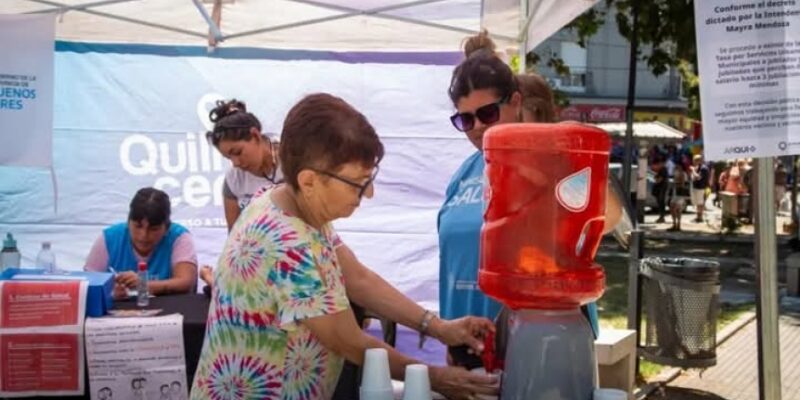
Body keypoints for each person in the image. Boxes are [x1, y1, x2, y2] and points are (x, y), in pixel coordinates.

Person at [191, 93, 498, 400]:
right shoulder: (286, 244)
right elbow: (348, 340)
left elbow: (357, 278)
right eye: (359, 182)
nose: (369, 193)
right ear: (310, 181)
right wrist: (436, 378)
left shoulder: (296, 205)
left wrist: (438, 327)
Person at [440, 31, 620, 368]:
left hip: (539, 351)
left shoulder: (552, 163)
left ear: (516, 103)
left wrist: (558, 158)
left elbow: (607, 217)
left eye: (488, 113)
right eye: (465, 120)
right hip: (467, 357)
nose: (477, 127)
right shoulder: (463, 174)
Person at [199, 99, 283, 287]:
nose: (235, 162)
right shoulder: (233, 180)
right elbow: (235, 239)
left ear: (254, 135)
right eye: (228, 157)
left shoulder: (292, 161)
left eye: (237, 152)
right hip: (259, 268)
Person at [85, 188, 197, 299]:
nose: (143, 235)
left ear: (167, 228)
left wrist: (143, 285)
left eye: (153, 229)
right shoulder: (109, 238)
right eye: (138, 226)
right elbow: (87, 284)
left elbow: (186, 282)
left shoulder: (179, 237)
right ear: (128, 223)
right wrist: (110, 292)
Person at [669, 164, 690, 231]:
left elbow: (682, 184)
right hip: (677, 194)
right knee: (675, 209)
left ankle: (677, 225)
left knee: (675, 209)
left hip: (679, 194)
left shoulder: (682, 174)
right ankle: (676, 224)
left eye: (676, 167)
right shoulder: (678, 174)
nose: (675, 169)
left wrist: (675, 183)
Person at [690, 154, 709, 223]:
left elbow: (698, 177)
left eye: (694, 161)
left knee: (700, 203)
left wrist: (693, 170)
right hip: (697, 187)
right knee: (698, 203)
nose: (693, 162)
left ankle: (700, 217)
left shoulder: (703, 168)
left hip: (700, 188)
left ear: (699, 161)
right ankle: (698, 217)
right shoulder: (698, 167)